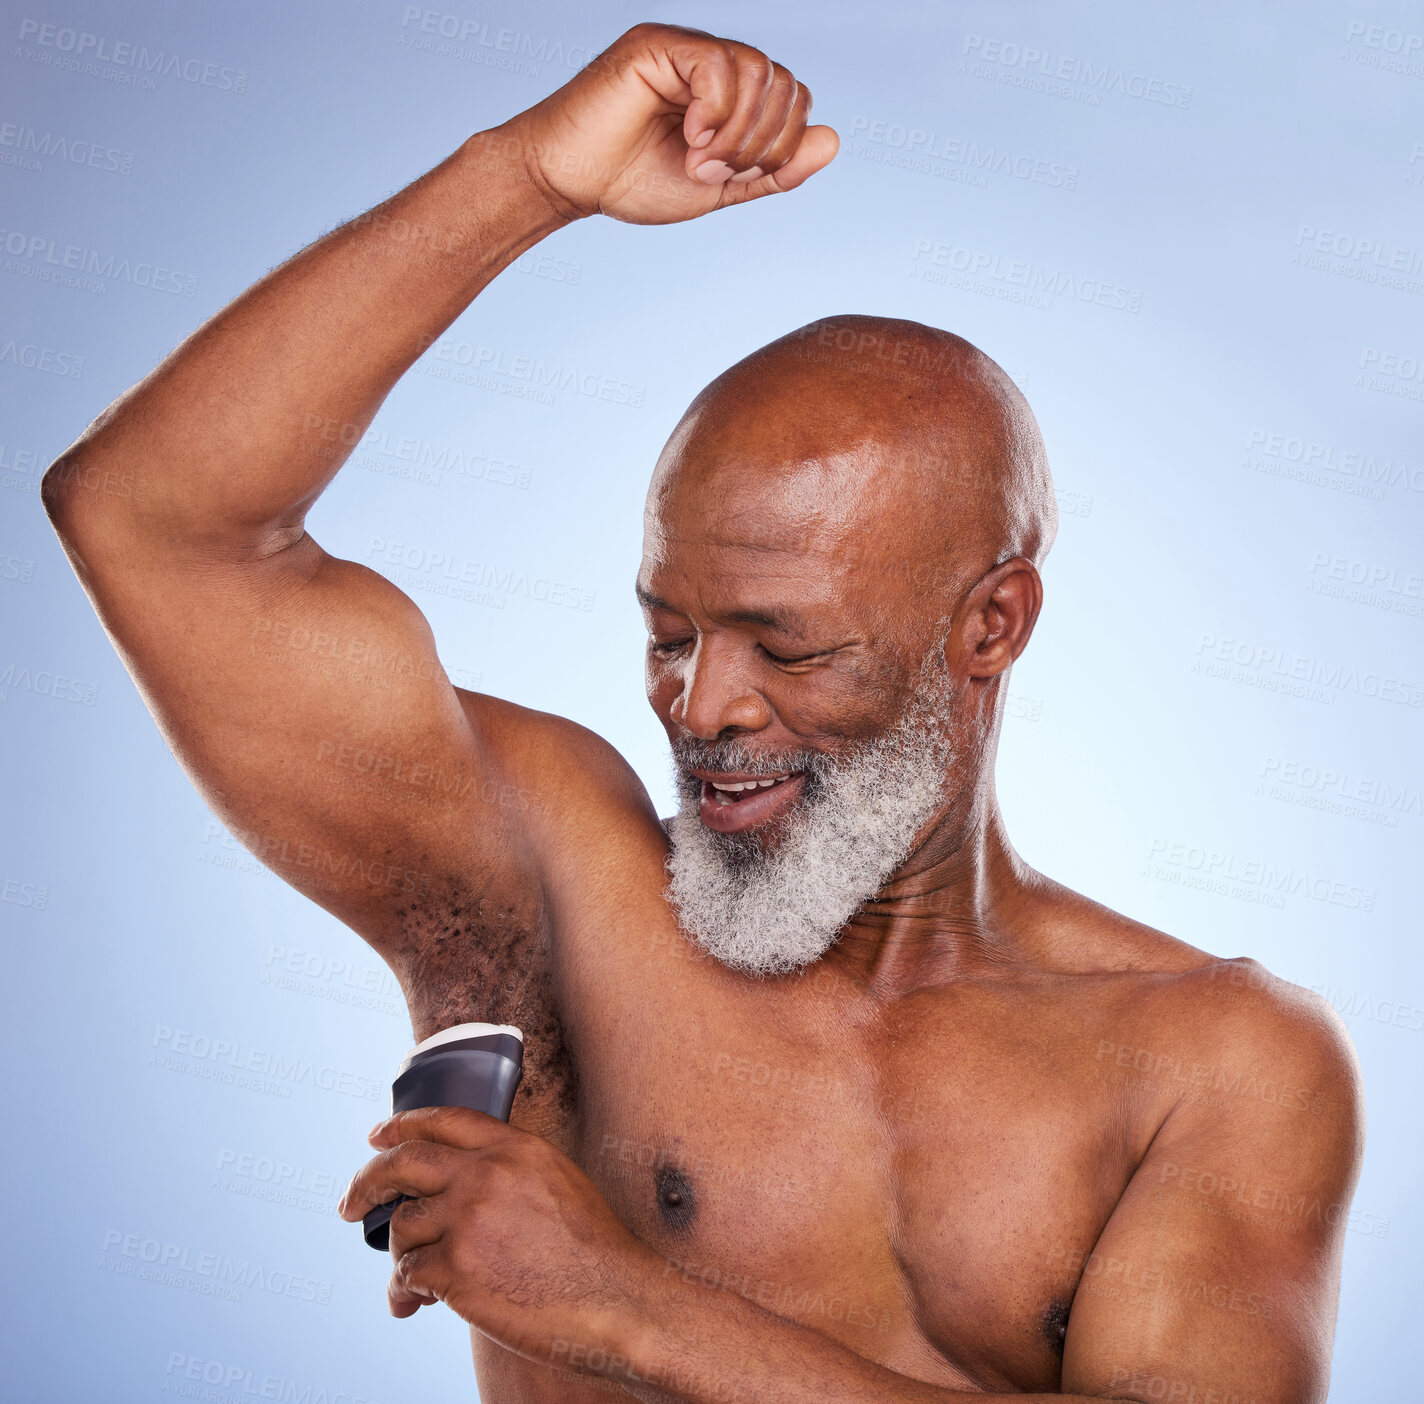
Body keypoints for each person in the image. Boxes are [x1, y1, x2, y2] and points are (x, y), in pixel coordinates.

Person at [42, 21, 1362, 1404]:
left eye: (785, 649)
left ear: (993, 625)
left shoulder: (1218, 1059)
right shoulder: (560, 888)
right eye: (668, 634)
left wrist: (627, 1307)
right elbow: (153, 520)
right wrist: (531, 175)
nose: (704, 705)